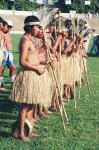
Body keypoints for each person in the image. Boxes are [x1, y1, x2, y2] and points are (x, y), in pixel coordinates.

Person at [10, 15, 49, 142]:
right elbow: (22, 62)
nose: (38, 30)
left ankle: (27, 128)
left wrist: (44, 47)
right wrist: (36, 68)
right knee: (24, 107)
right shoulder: (25, 41)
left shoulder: (31, 40)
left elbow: (35, 55)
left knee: (32, 104)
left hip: (33, 76)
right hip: (28, 74)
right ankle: (21, 133)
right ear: (30, 28)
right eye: (37, 27)